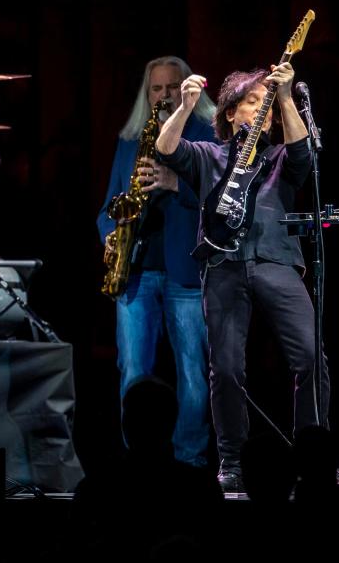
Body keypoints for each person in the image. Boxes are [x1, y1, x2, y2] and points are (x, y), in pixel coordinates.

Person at [156, 62, 329, 492]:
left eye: (265, 108)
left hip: (275, 260)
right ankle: (231, 460)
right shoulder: (208, 157)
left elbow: (304, 157)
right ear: (231, 112)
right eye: (252, 103)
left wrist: (285, 97)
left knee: (310, 356)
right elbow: (166, 149)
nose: (260, 112)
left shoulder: (280, 158)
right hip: (223, 266)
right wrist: (185, 107)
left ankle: (312, 457)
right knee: (227, 369)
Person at [97, 56, 216, 468]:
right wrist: (109, 234)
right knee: (131, 369)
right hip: (136, 269)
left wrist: (174, 182)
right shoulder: (132, 138)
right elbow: (109, 202)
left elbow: (224, 199)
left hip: (185, 270)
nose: (164, 95)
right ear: (146, 95)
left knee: (193, 374)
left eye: (171, 87)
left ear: (187, 90)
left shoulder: (208, 133)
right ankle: (139, 464)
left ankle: (190, 463)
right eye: (156, 89)